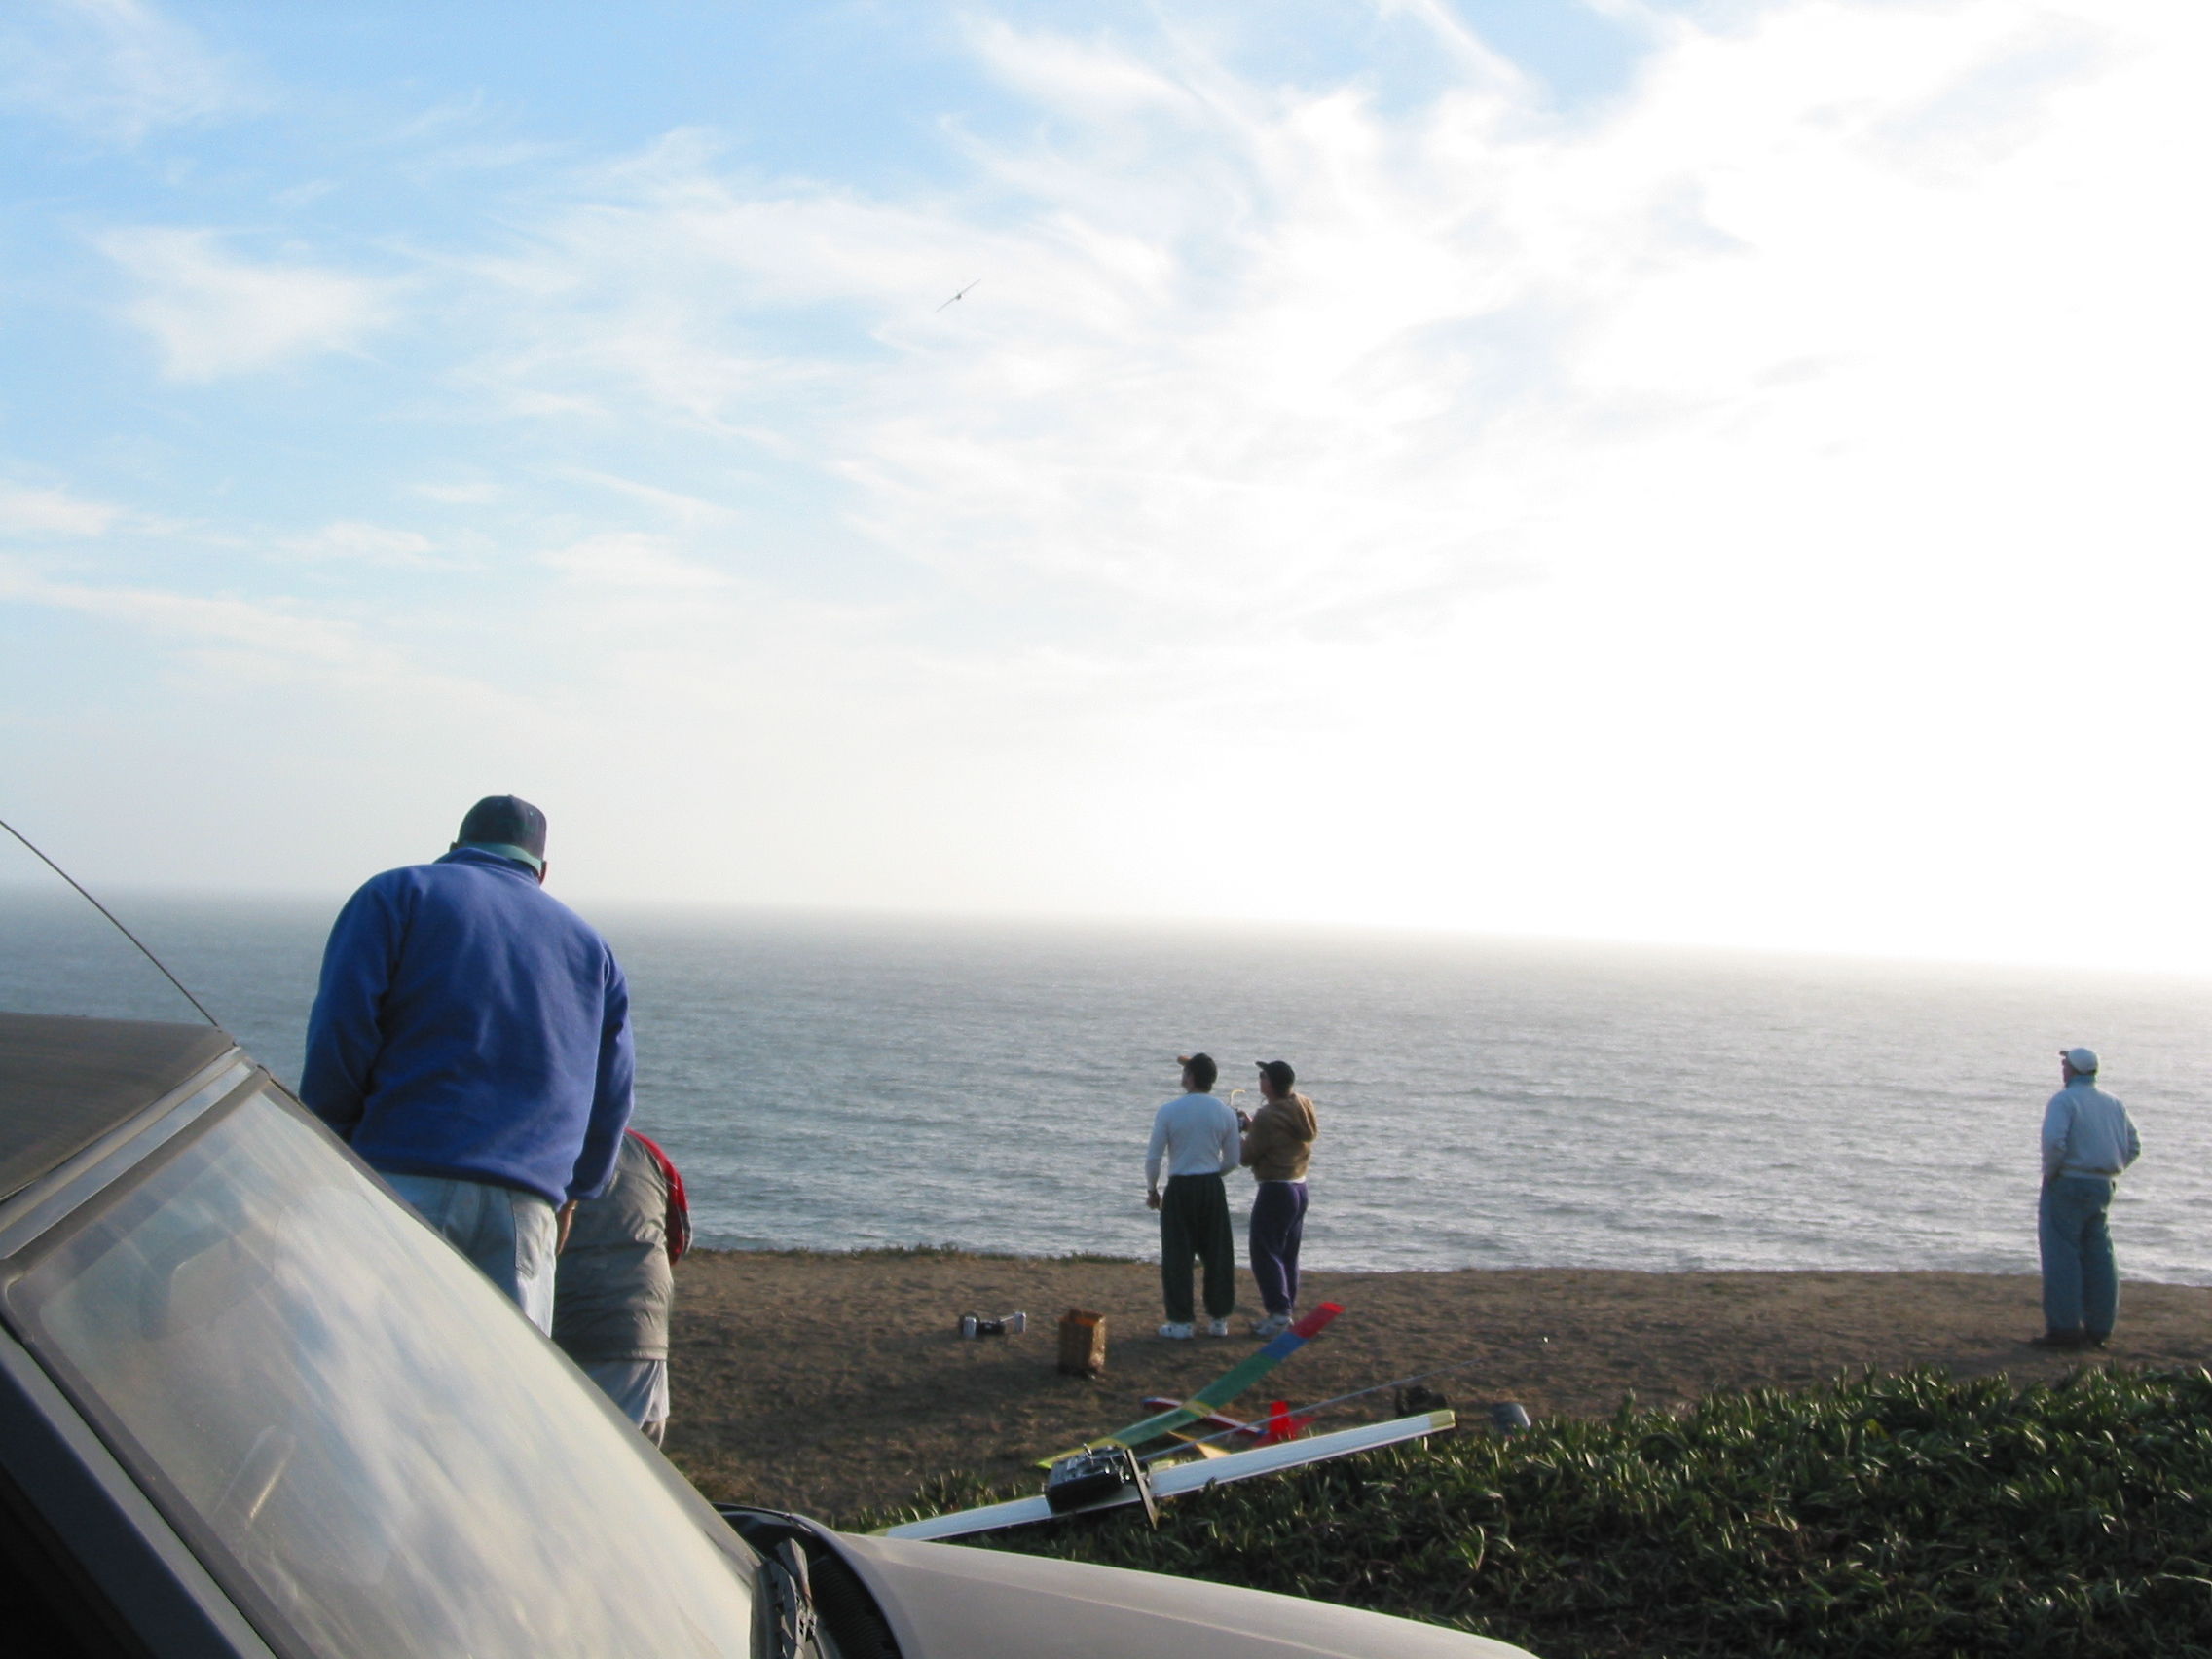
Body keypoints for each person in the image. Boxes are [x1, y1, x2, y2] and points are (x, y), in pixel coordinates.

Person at [301, 794, 635, 1335]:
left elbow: (342, 1029)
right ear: (542, 872)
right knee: (504, 1397)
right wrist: (575, 1193)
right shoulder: (592, 949)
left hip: (401, 1178)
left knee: (373, 1379)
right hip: (526, 1207)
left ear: (455, 848)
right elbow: (613, 1094)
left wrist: (331, 1137)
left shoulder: (397, 894)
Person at [555, 1127, 691, 1445]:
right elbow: (677, 1242)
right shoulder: (647, 1151)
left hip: (560, 1320)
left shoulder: (538, 1134)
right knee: (636, 1459)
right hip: (639, 1326)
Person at [2032, 1046, 2141, 1350]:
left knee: (2062, 1255)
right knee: (2099, 1256)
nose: (2062, 1069)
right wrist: (2110, 1169)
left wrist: (2052, 1173)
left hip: (2068, 1182)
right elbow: (2133, 1146)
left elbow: (2054, 1142)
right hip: (2102, 1184)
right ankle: (2099, 1328)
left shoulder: (2065, 1100)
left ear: (2074, 1070)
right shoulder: (2113, 1103)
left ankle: (2064, 1328)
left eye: (2065, 1064)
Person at [1145, 1052, 1241, 1339]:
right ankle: (1219, 1319)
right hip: (1211, 1185)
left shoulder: (1169, 1111)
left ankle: (1181, 1321)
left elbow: (1154, 1157)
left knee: (1178, 1255)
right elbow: (1233, 1159)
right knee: (1218, 1254)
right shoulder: (1225, 1112)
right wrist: (1213, 1174)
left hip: (1181, 1185)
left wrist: (1153, 1189)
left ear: (1190, 1077)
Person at [1238, 1059, 1318, 1338]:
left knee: (1265, 1251)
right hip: (1299, 1186)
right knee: (1287, 1253)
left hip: (1275, 1189)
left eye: (1262, 1076)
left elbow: (1246, 1157)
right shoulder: (1302, 1105)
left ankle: (1279, 1313)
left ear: (1269, 1084)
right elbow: (1280, 1136)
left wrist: (1239, 1133)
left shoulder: (1267, 1116)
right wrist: (1253, 1128)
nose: (1259, 1081)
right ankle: (1285, 1310)